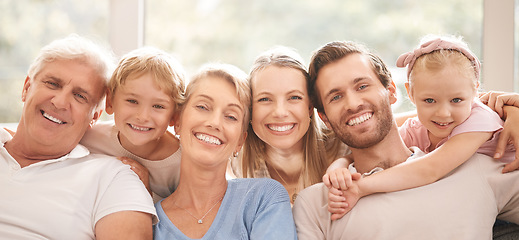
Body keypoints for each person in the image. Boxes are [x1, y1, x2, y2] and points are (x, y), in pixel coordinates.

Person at [292, 40, 519, 239]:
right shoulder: (318, 202)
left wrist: (511, 110)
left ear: (392, 91)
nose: (352, 104)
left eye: (362, 86)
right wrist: (340, 165)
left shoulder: (471, 164)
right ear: (324, 118)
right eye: (336, 96)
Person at [0, 35, 157, 239]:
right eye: (53, 84)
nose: (60, 102)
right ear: (26, 88)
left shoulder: (114, 178)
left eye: (80, 96)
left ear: (94, 116)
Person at [153, 63, 297, 239]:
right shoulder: (151, 222)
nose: (214, 123)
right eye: (202, 107)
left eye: (231, 116)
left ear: (240, 141)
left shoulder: (262, 199)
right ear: (177, 121)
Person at [231, 46, 347, 204]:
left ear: (309, 106)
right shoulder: (235, 160)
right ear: (250, 109)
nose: (280, 112)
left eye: (294, 97)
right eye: (264, 99)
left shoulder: (344, 146)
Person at [81, 46, 186, 203]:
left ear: (175, 116)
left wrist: (146, 192)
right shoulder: (89, 137)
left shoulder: (183, 164)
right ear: (110, 102)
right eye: (132, 101)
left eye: (158, 106)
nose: (142, 117)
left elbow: (187, 217)